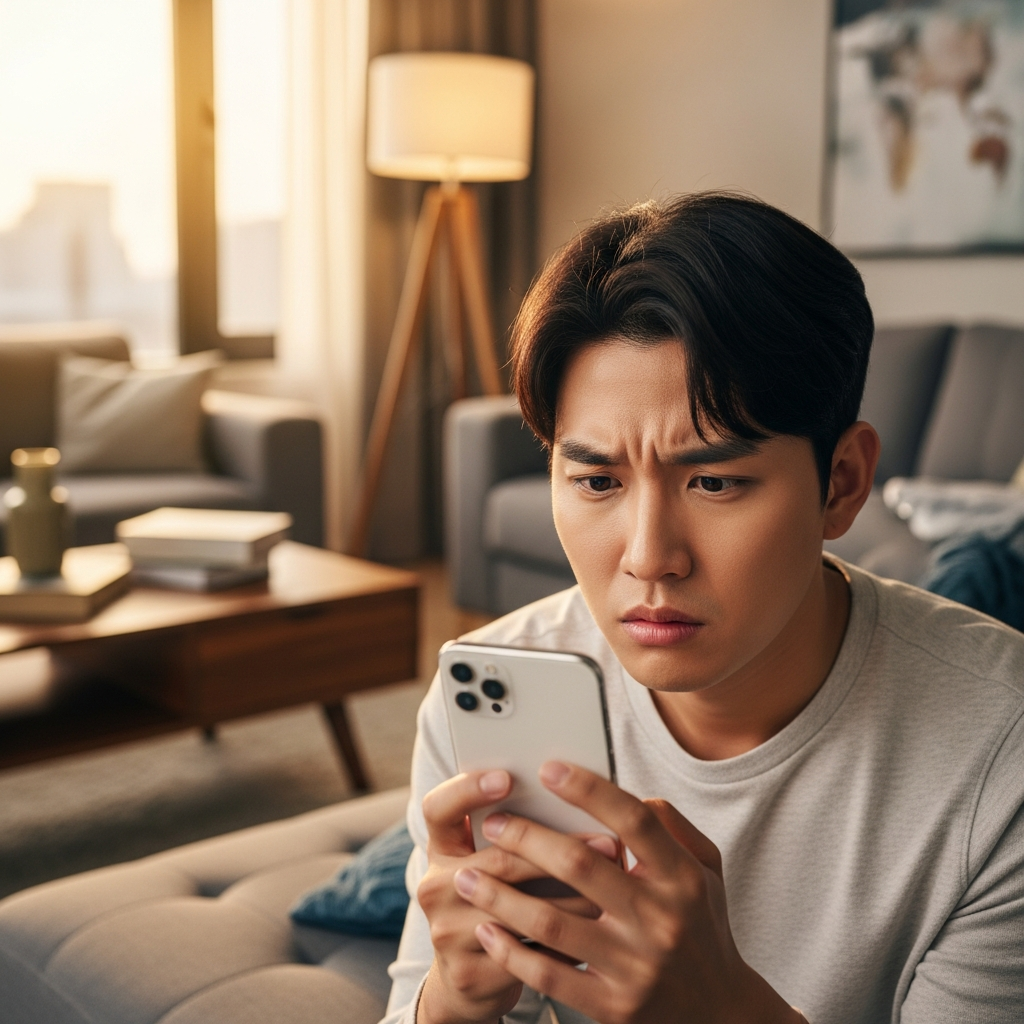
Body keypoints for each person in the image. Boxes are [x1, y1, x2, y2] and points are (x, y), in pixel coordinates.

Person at [381, 193, 1024, 1024]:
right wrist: (456, 1003)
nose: (649, 556)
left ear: (842, 484)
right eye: (596, 481)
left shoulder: (1001, 762)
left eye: (714, 481)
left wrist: (723, 1009)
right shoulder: (486, 696)